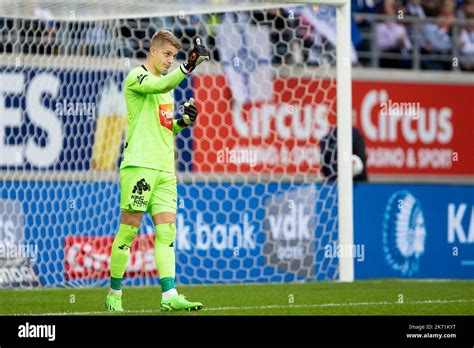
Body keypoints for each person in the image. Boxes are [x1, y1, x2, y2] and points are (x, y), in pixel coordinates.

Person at [105, 30, 209, 312]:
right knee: (129, 231)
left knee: (167, 232)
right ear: (152, 51)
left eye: (174, 56)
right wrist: (187, 66)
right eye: (166, 55)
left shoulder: (166, 86)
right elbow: (156, 87)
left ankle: (169, 295)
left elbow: (164, 126)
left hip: (165, 169)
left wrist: (182, 122)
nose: (169, 60)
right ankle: (114, 293)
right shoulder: (137, 78)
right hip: (139, 165)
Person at [319, 111, 368, 183]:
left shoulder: (326, 139)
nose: (355, 120)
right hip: (356, 184)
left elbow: (323, 164)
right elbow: (361, 158)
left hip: (331, 183)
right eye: (353, 118)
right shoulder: (355, 135)